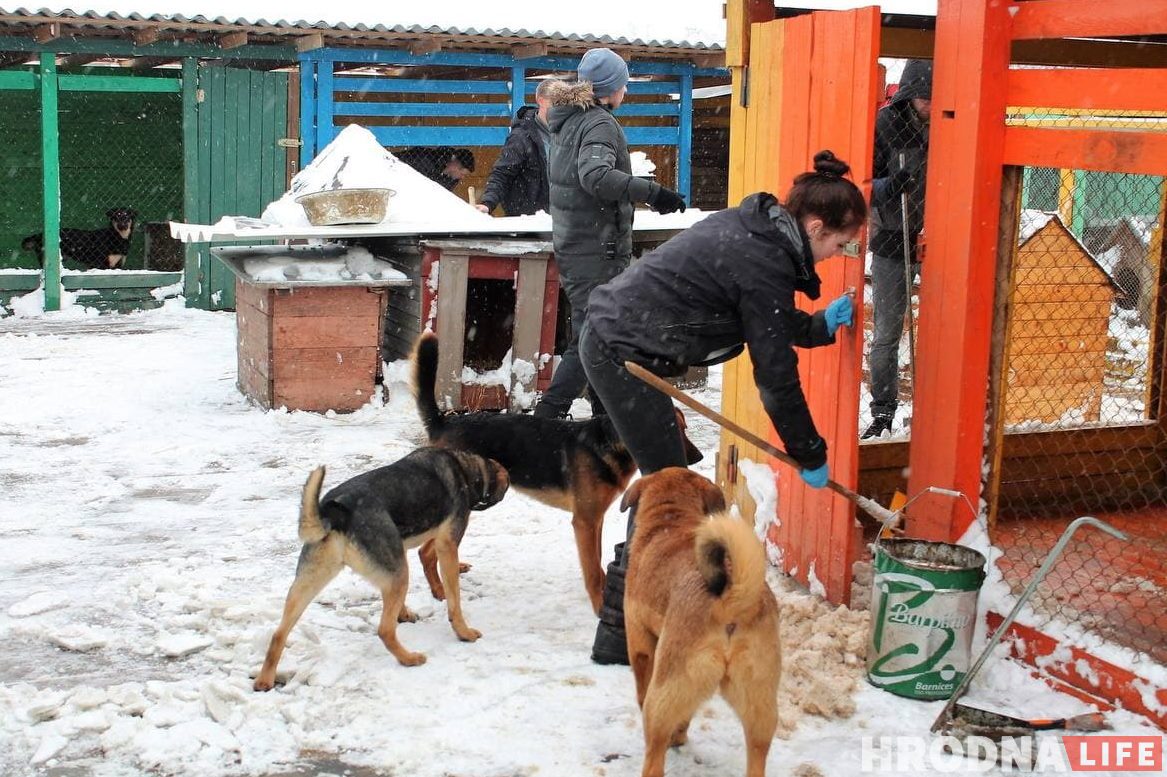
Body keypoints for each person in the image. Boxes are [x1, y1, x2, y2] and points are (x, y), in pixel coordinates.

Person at [579, 150, 868, 664]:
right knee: (669, 489)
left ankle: (634, 625)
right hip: (622, 351)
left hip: (626, 338)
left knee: (669, 482)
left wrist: (818, 327)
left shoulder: (759, 235)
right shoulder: (764, 257)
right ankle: (623, 636)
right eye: (839, 245)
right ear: (816, 226)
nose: (834, 255)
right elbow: (774, 375)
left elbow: (764, 319)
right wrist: (809, 451)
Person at [532, 48, 687, 420]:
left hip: (576, 242)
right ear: (611, 88)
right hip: (595, 249)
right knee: (595, 334)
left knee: (598, 334)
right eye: (624, 83)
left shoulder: (570, 120)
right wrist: (653, 192)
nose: (626, 90)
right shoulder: (599, 122)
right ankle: (546, 419)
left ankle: (607, 423)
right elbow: (595, 176)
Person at [864, 59, 931, 439]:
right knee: (888, 332)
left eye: (934, 98)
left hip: (939, 236)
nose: (928, 105)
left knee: (941, 330)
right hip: (893, 235)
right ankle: (883, 412)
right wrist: (891, 184)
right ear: (908, 93)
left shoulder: (951, 123)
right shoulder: (886, 123)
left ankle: (933, 407)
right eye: (923, 97)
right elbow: (864, 181)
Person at [475, 79, 558, 216]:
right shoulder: (521, 137)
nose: (560, 108)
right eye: (555, 103)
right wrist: (488, 203)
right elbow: (502, 173)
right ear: (541, 101)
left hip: (560, 219)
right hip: (527, 220)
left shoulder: (567, 133)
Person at [394, 146, 476, 191]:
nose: (462, 177)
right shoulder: (425, 158)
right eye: (462, 173)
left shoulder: (452, 179)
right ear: (455, 165)